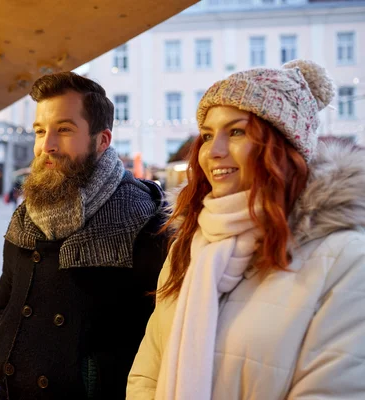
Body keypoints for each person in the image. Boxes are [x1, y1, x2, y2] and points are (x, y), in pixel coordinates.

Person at [127, 60, 365, 399]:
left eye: (236, 132)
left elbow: (332, 389)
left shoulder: (344, 258)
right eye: (208, 135)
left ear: (283, 147)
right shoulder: (189, 248)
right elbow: (147, 373)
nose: (214, 152)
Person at [0, 72, 168, 400]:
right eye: (40, 131)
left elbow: (161, 338)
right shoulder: (27, 215)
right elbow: (3, 304)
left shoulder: (145, 221)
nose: (46, 145)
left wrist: (91, 377)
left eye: (64, 129)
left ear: (102, 140)